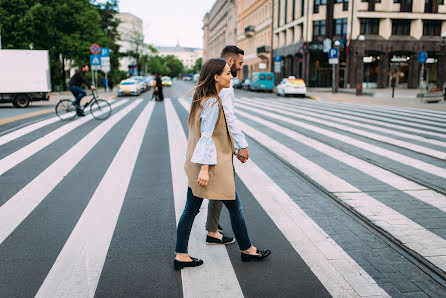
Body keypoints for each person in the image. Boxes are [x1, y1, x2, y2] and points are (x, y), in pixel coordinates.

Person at [174, 58, 271, 270]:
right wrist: (205, 170)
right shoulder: (213, 102)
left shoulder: (203, 99)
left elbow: (213, 136)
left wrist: (234, 149)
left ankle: (182, 254)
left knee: (192, 210)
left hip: (205, 165)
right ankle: (247, 250)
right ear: (216, 77)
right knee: (233, 207)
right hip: (211, 169)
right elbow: (206, 137)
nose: (231, 76)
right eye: (228, 73)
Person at [205, 45, 249, 246]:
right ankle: (246, 247)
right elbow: (230, 118)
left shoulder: (214, 83)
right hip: (219, 148)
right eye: (239, 63)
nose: (240, 67)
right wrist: (242, 146)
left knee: (218, 190)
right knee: (228, 194)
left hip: (218, 146)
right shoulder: (225, 86)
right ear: (230, 62)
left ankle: (212, 229)